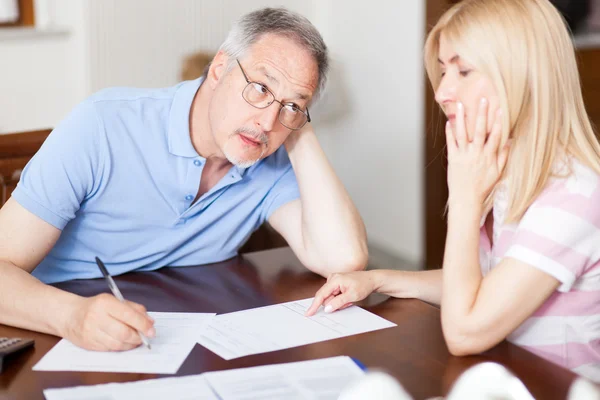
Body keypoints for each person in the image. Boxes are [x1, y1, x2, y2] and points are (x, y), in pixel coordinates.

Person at [0, 7, 368, 352]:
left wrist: (297, 126)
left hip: (179, 339)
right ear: (219, 69)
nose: (267, 122)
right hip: (51, 331)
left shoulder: (270, 157)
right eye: (260, 88)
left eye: (291, 105)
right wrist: (70, 316)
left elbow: (343, 258)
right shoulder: (102, 127)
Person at [306, 0, 600, 382]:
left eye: (463, 70)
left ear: (523, 76)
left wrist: (464, 200)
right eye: (444, 71)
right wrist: (377, 279)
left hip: (552, 388)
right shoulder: (507, 167)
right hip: (507, 377)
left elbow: (465, 331)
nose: (442, 91)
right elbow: (480, 287)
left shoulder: (575, 193)